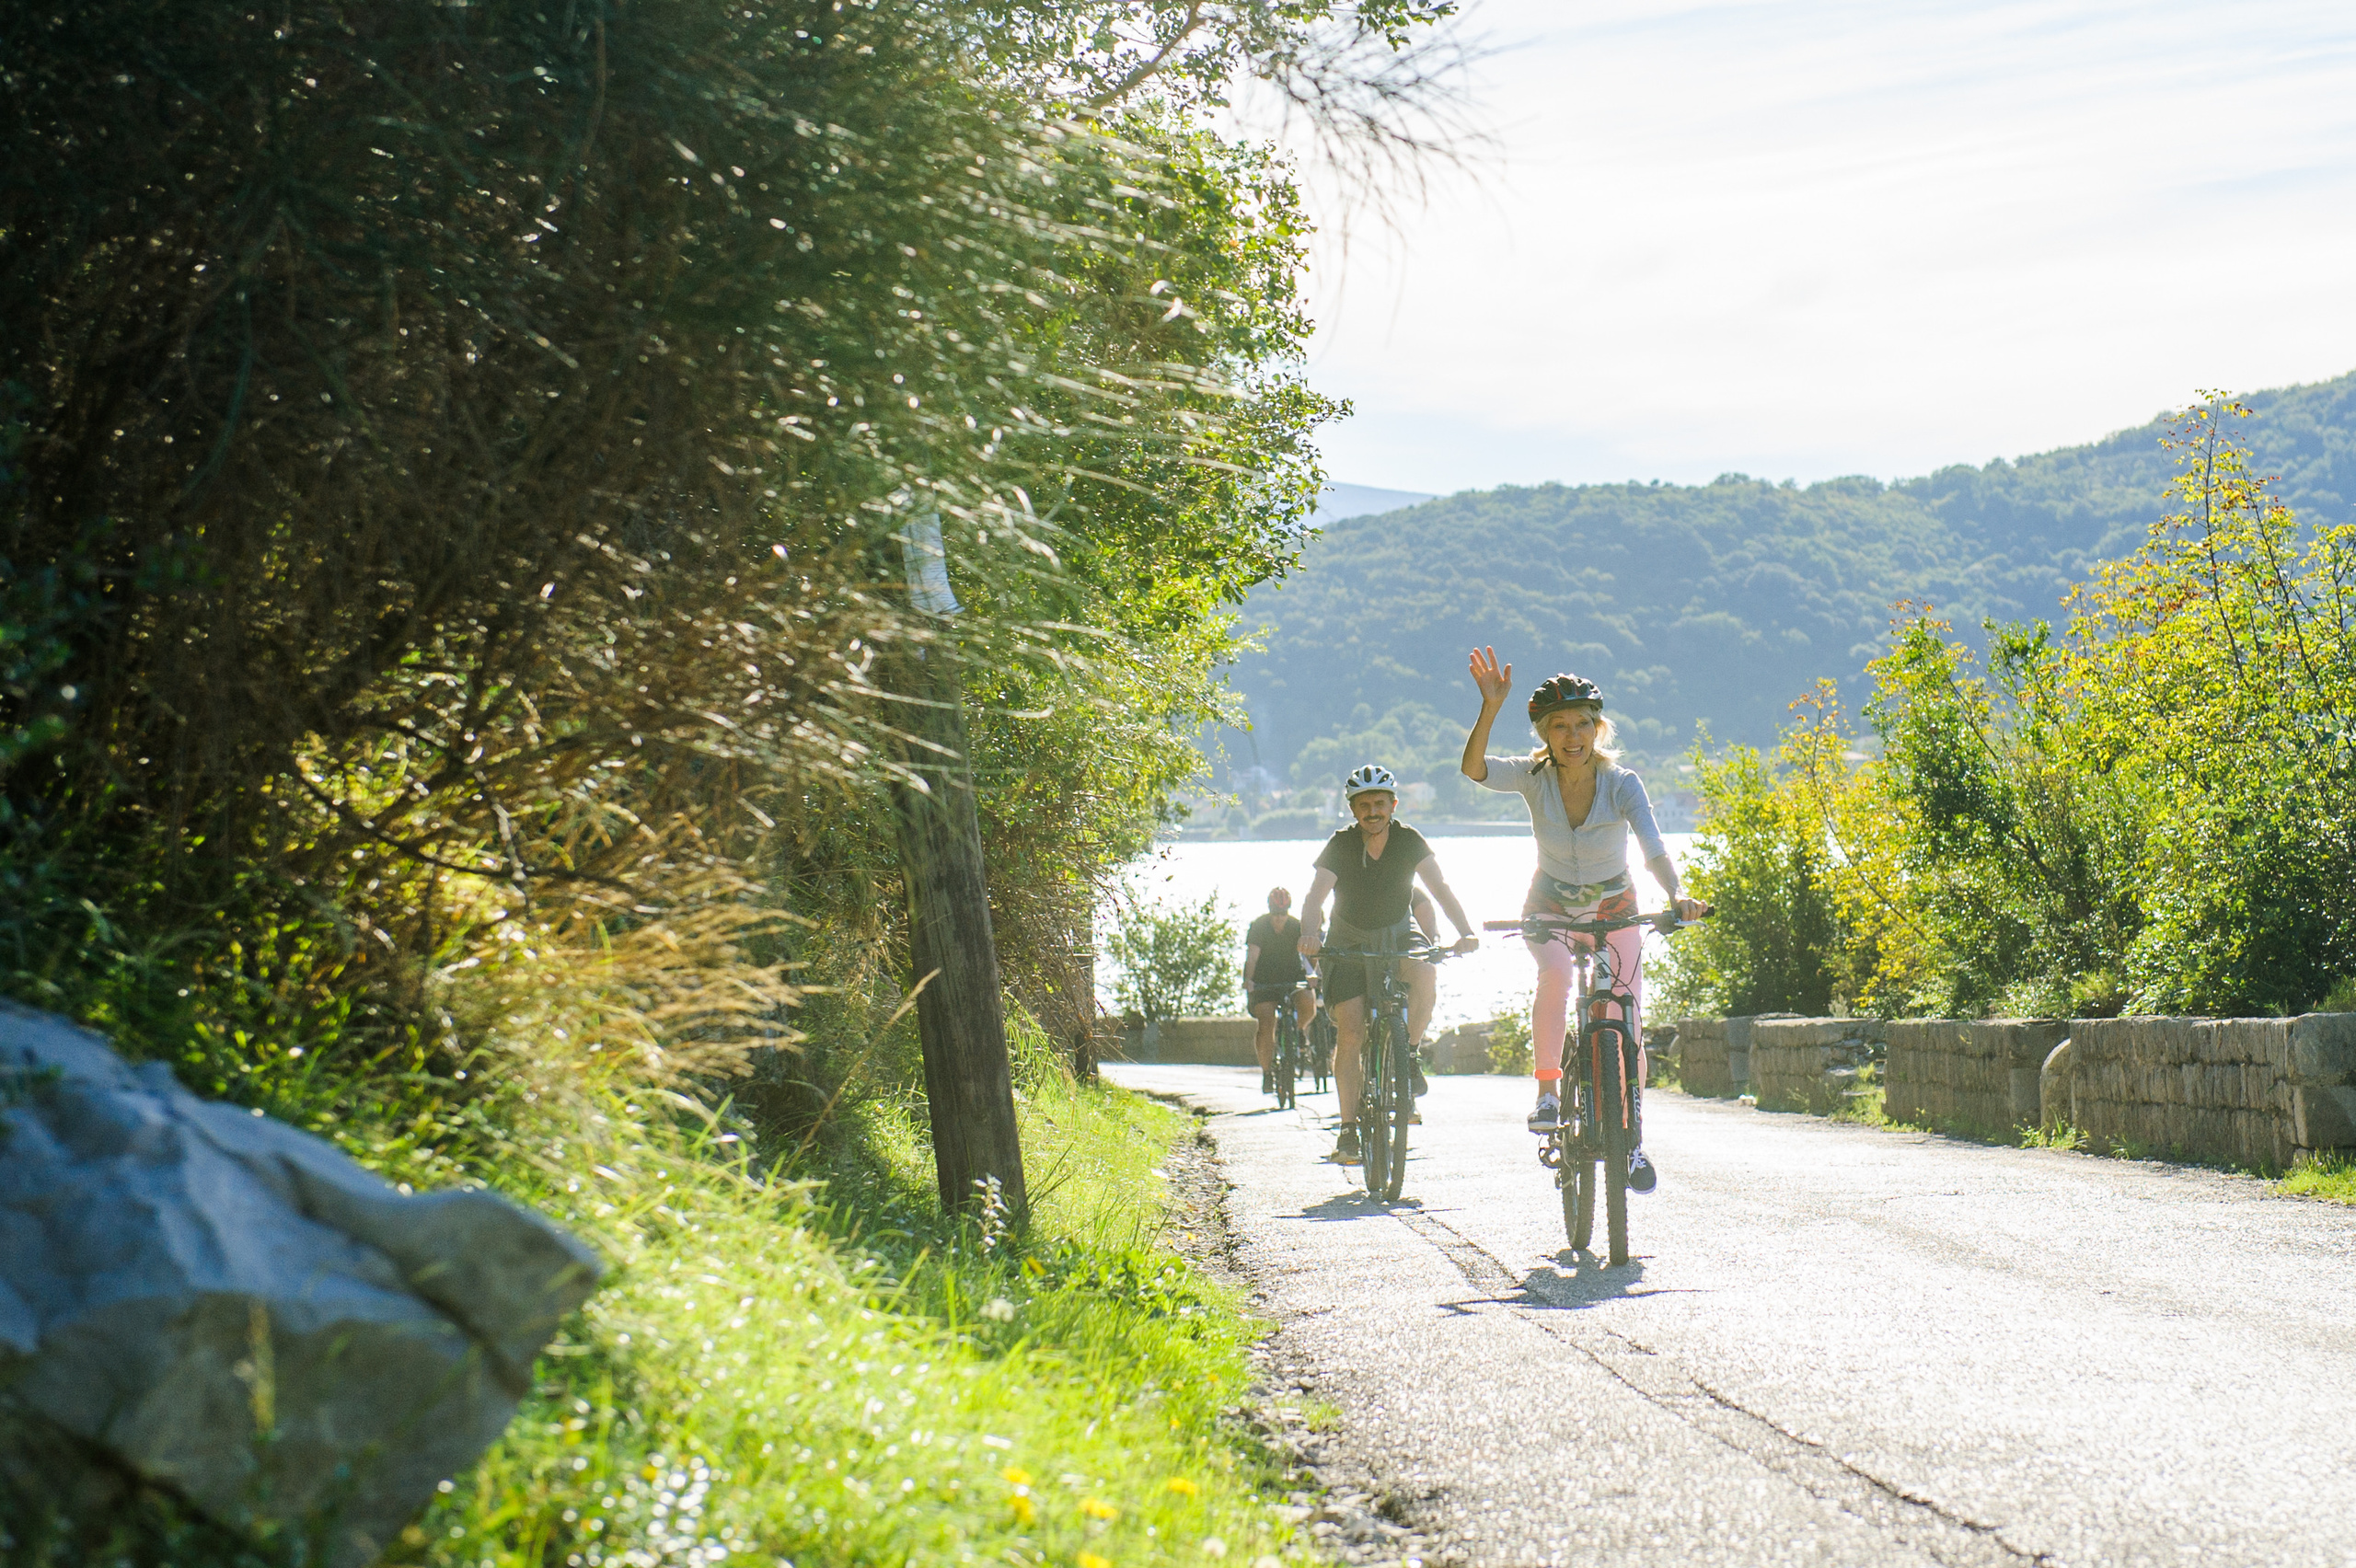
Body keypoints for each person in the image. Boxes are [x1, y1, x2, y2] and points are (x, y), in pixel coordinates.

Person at [1460, 649, 1709, 1193]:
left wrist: (1677, 893)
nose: (1572, 736)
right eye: (1559, 726)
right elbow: (1474, 770)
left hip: (1614, 908)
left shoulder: (1622, 783)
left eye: (1582, 724)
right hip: (1549, 906)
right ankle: (1549, 1093)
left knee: (1625, 1019)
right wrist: (1490, 707)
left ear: (1598, 728)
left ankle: (1631, 1140)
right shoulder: (1532, 777)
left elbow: (1653, 846)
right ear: (1545, 735)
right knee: (1554, 975)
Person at [1299, 764, 1480, 1165]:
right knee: (1350, 1031)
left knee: (1425, 971)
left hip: (1399, 931)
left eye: (1380, 803)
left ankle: (1408, 1056)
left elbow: (1440, 888)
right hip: (1347, 938)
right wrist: (1309, 934)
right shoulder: (1341, 844)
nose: (1373, 812)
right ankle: (1348, 1130)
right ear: (1353, 809)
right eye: (1364, 806)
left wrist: (1465, 931)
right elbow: (1315, 897)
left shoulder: (1408, 840)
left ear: (1393, 805)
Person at [1242, 886, 1316, 1094]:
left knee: (1308, 1001)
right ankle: (1267, 1073)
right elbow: (1252, 956)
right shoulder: (1259, 926)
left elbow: (1309, 953)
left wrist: (1313, 974)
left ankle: (1299, 1031)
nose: (1279, 918)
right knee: (1266, 1023)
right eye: (1276, 914)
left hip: (1292, 976)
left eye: (1283, 914)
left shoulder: (1296, 926)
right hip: (1264, 980)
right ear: (1269, 911)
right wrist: (1248, 980)